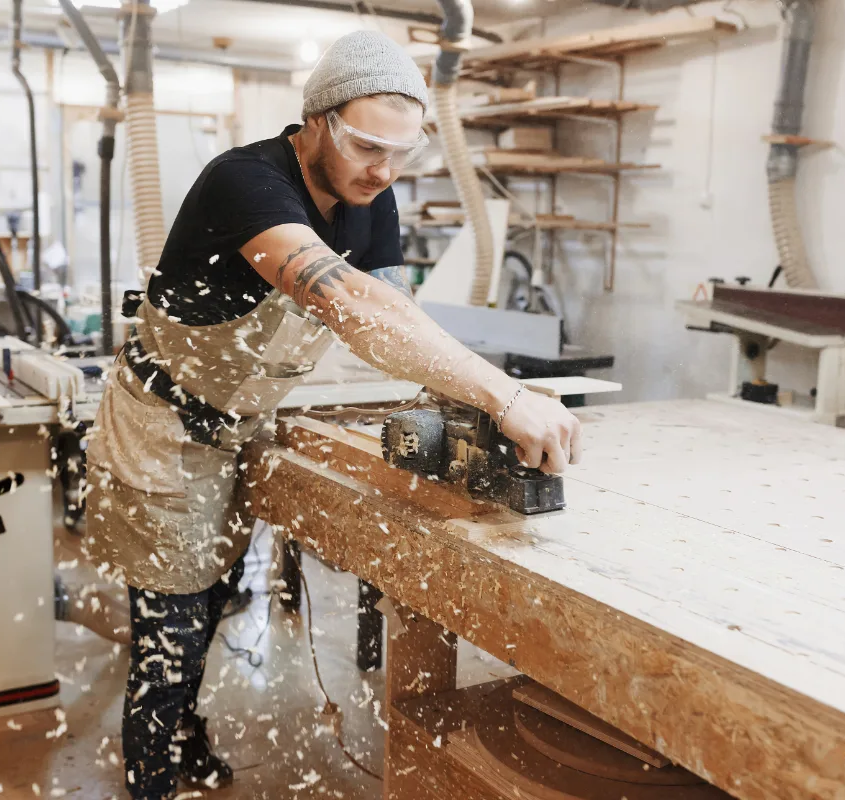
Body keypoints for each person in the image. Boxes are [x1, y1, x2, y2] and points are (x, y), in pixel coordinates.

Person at [83, 29, 582, 799]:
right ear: (314, 121)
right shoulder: (244, 182)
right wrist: (507, 397)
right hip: (163, 427)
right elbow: (349, 302)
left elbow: (394, 315)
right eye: (365, 148)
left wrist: (472, 404)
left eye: (400, 156)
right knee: (168, 630)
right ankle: (150, 776)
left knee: (213, 599)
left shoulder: (368, 196)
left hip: (239, 427)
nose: (382, 173)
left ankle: (184, 736)